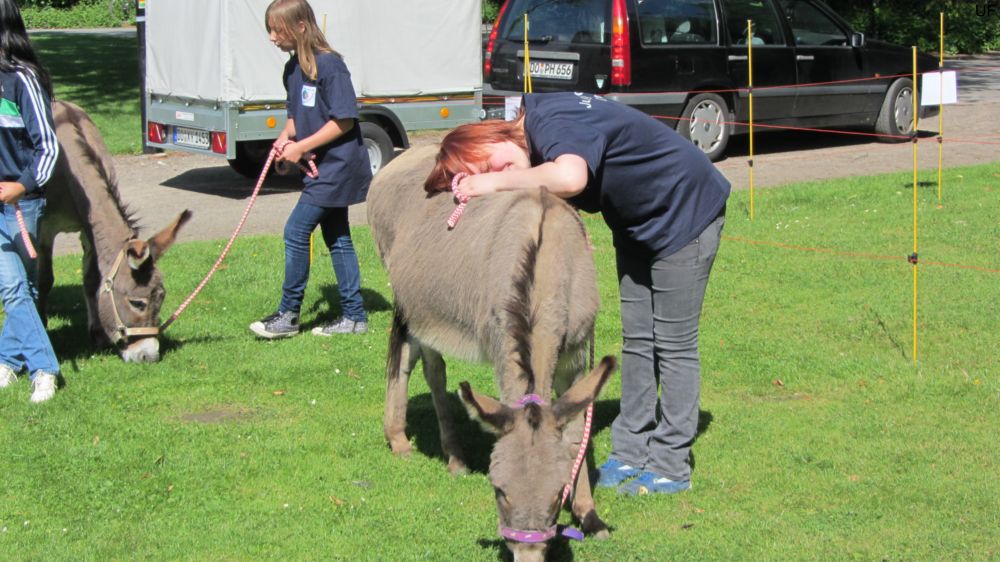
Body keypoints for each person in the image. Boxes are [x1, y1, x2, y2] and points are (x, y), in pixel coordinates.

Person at [425, 92, 730, 495]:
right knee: (638, 339)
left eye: (488, 162)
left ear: (486, 137)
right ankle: (629, 450)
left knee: (672, 343)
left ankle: (671, 463)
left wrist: (494, 180)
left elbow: (572, 178)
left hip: (684, 211)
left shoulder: (550, 121)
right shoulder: (540, 126)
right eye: (487, 173)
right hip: (637, 222)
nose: (496, 172)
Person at [249, 0, 372, 340]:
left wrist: (302, 147)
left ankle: (288, 316)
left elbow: (344, 121)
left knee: (296, 230)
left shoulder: (331, 66)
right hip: (319, 168)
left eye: (278, 29)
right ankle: (354, 317)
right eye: (269, 30)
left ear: (301, 25)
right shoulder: (292, 70)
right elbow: (294, 119)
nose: (272, 37)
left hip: (338, 166)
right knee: (338, 238)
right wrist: (283, 140)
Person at [0, 0, 61, 403]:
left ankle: (10, 360)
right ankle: (44, 369)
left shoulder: (22, 80)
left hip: (22, 203)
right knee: (12, 289)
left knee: (26, 290)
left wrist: (20, 187)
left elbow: (48, 149)